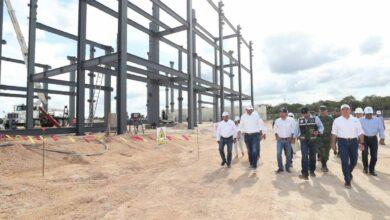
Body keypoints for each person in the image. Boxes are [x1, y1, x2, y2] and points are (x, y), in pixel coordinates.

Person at [331, 104, 364, 189]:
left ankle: (348, 172)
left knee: (354, 161)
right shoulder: (337, 121)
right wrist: (333, 144)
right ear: (341, 111)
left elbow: (360, 132)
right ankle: (347, 180)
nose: (345, 111)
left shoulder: (356, 120)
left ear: (350, 110)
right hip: (342, 142)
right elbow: (334, 133)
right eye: (343, 109)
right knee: (344, 162)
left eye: (347, 109)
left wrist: (362, 143)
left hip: (353, 142)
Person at [295, 107, 324, 180]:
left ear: (309, 112)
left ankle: (312, 171)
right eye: (303, 114)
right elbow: (296, 130)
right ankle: (305, 174)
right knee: (304, 156)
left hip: (313, 140)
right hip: (303, 141)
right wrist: (297, 135)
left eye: (306, 113)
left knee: (312, 156)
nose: (305, 115)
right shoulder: (299, 120)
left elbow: (321, 127)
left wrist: (318, 131)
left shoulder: (315, 118)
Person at [239, 105, 267, 172]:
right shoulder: (243, 117)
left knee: (254, 150)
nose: (249, 111)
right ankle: (251, 163)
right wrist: (242, 131)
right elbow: (241, 125)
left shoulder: (256, 116)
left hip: (255, 135)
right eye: (248, 110)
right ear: (246, 110)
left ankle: (254, 165)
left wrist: (262, 133)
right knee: (249, 151)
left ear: (252, 110)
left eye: (250, 109)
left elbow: (260, 124)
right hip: (247, 136)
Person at [360, 107, 385, 176]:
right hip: (364, 139)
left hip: (374, 139)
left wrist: (382, 138)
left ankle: (371, 169)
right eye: (367, 114)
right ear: (364, 114)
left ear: (372, 113)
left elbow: (381, 129)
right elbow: (357, 129)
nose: (369, 115)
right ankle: (365, 168)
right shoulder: (360, 120)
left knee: (374, 156)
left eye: (370, 114)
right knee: (364, 154)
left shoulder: (377, 120)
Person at [274, 108, 295, 173]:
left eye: (283, 112)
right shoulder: (277, 120)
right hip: (280, 140)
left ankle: (287, 167)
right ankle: (280, 168)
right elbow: (275, 129)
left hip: (288, 140)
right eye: (280, 112)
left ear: (286, 113)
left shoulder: (291, 120)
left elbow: (293, 129)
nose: (281, 114)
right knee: (278, 153)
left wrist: (292, 137)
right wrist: (276, 136)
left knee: (288, 154)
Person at [317, 105, 334, 172]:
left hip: (328, 138)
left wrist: (334, 139)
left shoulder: (330, 119)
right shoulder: (316, 118)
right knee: (322, 151)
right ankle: (324, 165)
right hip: (319, 138)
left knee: (327, 153)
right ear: (319, 111)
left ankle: (324, 161)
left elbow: (334, 129)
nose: (322, 112)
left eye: (324, 110)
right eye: (321, 111)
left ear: (327, 111)